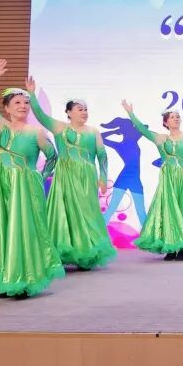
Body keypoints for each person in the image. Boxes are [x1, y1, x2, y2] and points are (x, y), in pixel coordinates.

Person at [0, 59, 64, 298]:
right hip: (0, 184)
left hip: (25, 187)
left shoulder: (36, 132)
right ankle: (4, 276)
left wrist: (38, 177)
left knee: (22, 231)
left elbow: (52, 157)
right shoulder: (0, 126)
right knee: (0, 228)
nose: (23, 106)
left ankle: (24, 279)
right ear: (6, 108)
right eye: (17, 103)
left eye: (26, 103)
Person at [26, 78, 116, 270]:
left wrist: (103, 177)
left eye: (86, 109)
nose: (84, 112)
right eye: (80, 109)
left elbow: (102, 156)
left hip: (86, 176)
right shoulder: (60, 128)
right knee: (64, 212)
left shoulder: (93, 132)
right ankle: (63, 251)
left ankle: (86, 253)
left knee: (87, 213)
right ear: (69, 113)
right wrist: (32, 95)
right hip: (65, 175)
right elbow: (40, 115)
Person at [121, 101, 183, 261]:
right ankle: (170, 246)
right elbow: (141, 129)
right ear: (166, 122)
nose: (176, 119)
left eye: (178, 117)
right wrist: (130, 113)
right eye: (172, 117)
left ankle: (181, 247)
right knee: (169, 211)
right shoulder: (161, 138)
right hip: (168, 178)